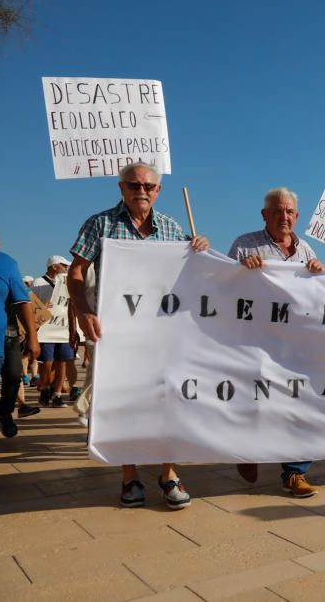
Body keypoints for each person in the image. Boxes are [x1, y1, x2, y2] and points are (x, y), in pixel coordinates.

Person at [67, 163, 209, 508]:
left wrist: (199, 249)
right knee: (123, 400)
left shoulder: (174, 228)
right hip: (117, 332)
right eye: (133, 184)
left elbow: (190, 275)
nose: (141, 190)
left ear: (158, 191)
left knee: (168, 398)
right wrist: (84, 311)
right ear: (121, 187)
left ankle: (168, 473)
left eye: (148, 185)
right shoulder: (100, 224)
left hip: (163, 334)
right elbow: (77, 270)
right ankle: (129, 476)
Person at [227, 186, 324, 498]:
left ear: (297, 216)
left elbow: (319, 295)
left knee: (298, 406)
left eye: (289, 211)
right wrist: (240, 272)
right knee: (256, 403)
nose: (284, 216)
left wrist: (320, 273)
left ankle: (295, 473)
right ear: (264, 215)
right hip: (254, 342)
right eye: (278, 211)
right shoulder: (245, 245)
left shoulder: (307, 251)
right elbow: (221, 288)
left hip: (294, 344)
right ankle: (248, 450)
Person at [0, 228, 40, 446]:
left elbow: (23, 303)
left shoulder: (6, 264)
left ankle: (5, 411)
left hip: (5, 335)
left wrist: (32, 336)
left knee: (13, 375)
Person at [31, 255, 77, 407]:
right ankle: (45, 389)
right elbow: (31, 305)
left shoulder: (66, 282)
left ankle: (57, 394)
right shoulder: (38, 283)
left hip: (63, 327)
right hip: (46, 329)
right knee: (47, 363)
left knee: (62, 362)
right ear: (54, 266)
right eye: (64, 265)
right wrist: (42, 306)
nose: (67, 268)